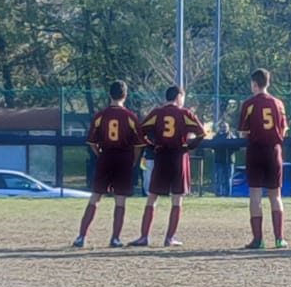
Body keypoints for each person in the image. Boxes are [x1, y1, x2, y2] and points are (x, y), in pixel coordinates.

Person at [135, 86, 206, 247]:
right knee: (177, 198)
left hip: (161, 156)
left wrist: (152, 146)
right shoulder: (185, 113)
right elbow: (201, 133)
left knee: (152, 196)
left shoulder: (156, 113)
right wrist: (188, 147)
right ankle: (169, 238)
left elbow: (140, 132)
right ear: (179, 97)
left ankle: (144, 236)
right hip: (178, 157)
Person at [74, 84, 142, 247]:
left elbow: (91, 142)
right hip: (124, 158)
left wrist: (100, 154)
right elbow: (139, 144)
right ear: (125, 95)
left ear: (109, 95)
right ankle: (115, 238)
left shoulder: (100, 116)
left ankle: (81, 237)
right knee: (120, 200)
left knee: (96, 197)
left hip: (106, 157)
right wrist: (133, 160)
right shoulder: (131, 117)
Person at [238, 67, 289, 249]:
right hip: (274, 151)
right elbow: (284, 129)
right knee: (275, 195)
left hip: (255, 151)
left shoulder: (249, 104)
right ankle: (279, 238)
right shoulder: (278, 104)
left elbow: (244, 132)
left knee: (255, 195)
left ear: (255, 83)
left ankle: (258, 239)